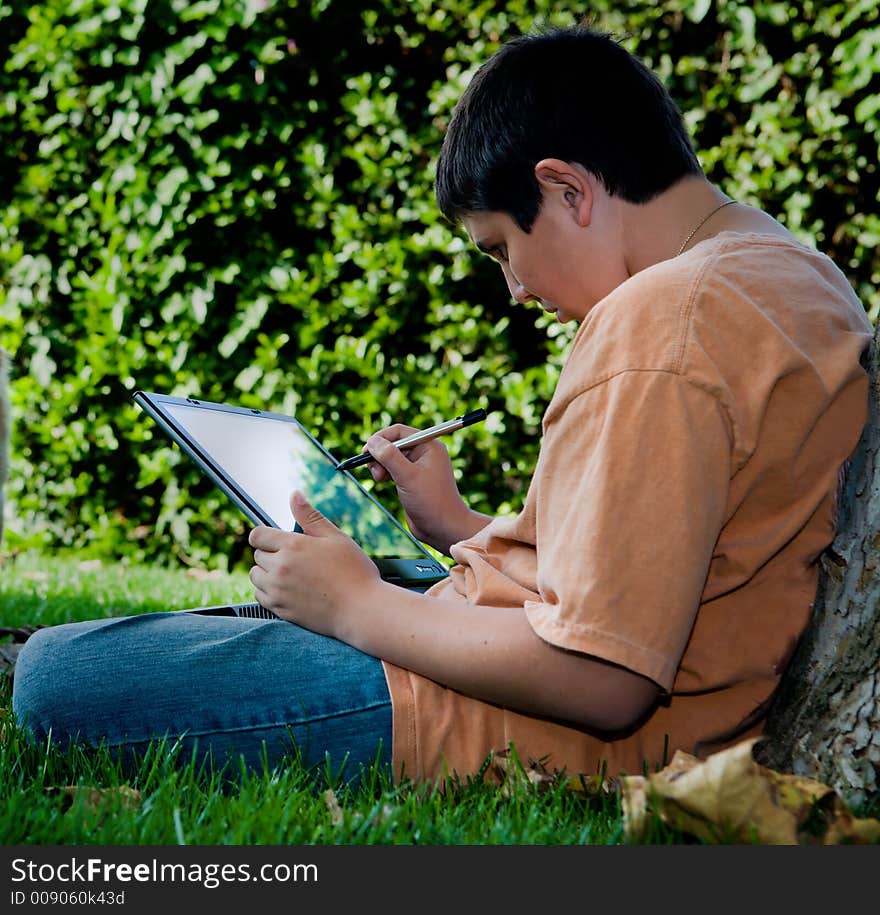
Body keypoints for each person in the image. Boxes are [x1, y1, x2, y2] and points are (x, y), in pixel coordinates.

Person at [12, 24, 873, 788]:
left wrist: (359, 608)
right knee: (184, 630)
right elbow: (670, 562)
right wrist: (457, 527)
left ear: (568, 190)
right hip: (520, 657)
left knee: (56, 673)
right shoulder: (791, 274)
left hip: (499, 721)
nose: (517, 291)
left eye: (503, 248)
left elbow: (606, 678)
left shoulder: (660, 329)